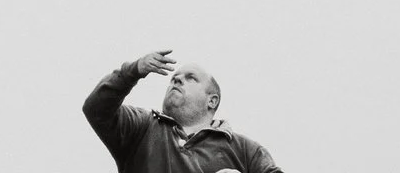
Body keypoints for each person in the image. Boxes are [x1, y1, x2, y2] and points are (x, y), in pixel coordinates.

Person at [83, 50, 282, 173]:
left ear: (212, 101)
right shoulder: (142, 127)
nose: (177, 80)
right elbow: (96, 109)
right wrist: (132, 70)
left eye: (191, 78)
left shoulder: (245, 150)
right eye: (174, 78)